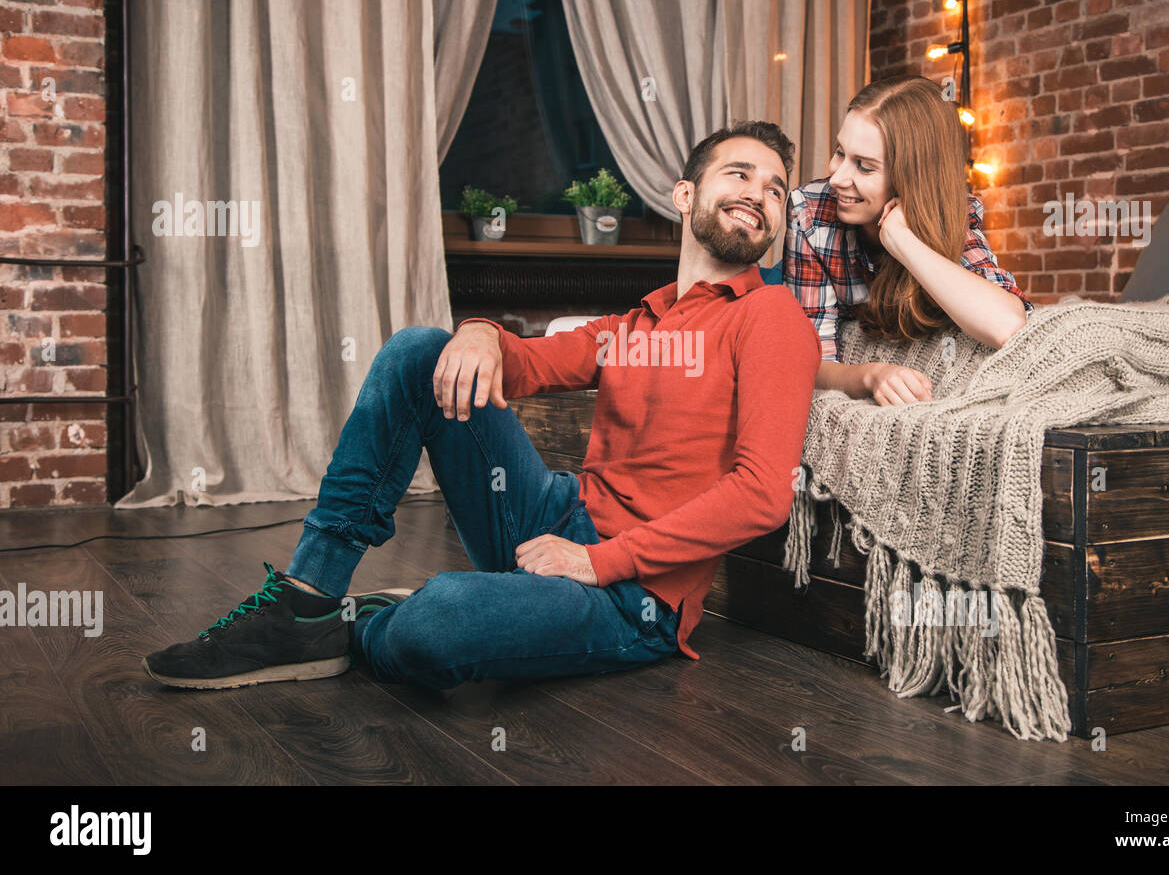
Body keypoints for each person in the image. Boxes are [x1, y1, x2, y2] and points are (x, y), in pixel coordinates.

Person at [143, 120, 822, 691]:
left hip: (632, 595)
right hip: (553, 518)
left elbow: (764, 494)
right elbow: (521, 361)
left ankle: (380, 620)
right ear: (684, 194)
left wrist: (596, 563)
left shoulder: (771, 317)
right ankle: (306, 599)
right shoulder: (635, 324)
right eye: (739, 174)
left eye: (774, 189)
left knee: (435, 627)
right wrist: (477, 333)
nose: (757, 195)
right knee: (419, 352)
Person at [784, 75, 1034, 406]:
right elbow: (810, 360)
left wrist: (902, 240)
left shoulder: (954, 213)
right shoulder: (810, 211)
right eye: (840, 152)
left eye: (865, 167)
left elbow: (1008, 325)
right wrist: (872, 375)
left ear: (910, 177)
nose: (838, 178)